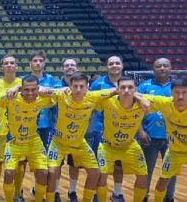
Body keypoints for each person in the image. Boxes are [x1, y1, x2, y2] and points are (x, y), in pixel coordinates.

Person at [45, 73, 119, 202]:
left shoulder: (93, 96)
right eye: (75, 86)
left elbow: (117, 90)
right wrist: (17, 88)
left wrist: (139, 99)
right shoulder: (62, 94)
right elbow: (39, 89)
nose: (78, 89)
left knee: (95, 173)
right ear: (70, 86)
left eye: (81, 86)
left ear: (87, 86)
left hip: (79, 143)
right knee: (52, 172)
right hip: (59, 141)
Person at [141, 78, 187, 202]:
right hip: (174, 152)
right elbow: (134, 94)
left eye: (184, 92)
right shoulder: (164, 102)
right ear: (171, 92)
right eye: (176, 92)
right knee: (162, 181)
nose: (180, 96)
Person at [96, 76, 150, 202]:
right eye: (123, 87)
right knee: (101, 175)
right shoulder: (107, 101)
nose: (126, 90)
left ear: (135, 89)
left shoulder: (144, 102)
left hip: (129, 145)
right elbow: (88, 95)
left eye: (130, 87)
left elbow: (171, 100)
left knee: (143, 175)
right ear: (117, 89)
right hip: (107, 145)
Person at [1, 75, 55, 202]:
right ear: (22, 90)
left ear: (37, 89)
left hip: (33, 141)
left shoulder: (43, 99)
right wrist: (16, 87)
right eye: (26, 90)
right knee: (9, 173)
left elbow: (63, 93)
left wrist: (41, 89)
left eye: (33, 89)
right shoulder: (11, 98)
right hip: (14, 142)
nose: (30, 93)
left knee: (43, 172)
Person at [137, 58, 178, 202]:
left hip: (172, 138)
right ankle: (143, 197)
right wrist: (140, 132)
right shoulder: (144, 87)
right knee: (145, 170)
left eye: (165, 65)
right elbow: (134, 113)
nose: (162, 68)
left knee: (171, 170)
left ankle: (169, 197)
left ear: (170, 68)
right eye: (159, 66)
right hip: (149, 136)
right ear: (153, 69)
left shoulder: (176, 87)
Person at [90, 55, 126, 202]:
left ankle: (117, 193)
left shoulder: (128, 84)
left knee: (119, 165)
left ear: (122, 65)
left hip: (123, 131)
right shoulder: (97, 84)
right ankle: (97, 194)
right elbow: (90, 105)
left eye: (117, 63)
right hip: (101, 130)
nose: (114, 66)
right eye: (111, 63)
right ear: (106, 66)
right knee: (99, 167)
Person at [23, 50, 58, 202]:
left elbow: (57, 95)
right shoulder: (23, 80)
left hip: (44, 126)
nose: (37, 63)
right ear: (29, 63)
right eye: (35, 61)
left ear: (44, 63)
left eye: (40, 61)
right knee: (21, 163)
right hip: (24, 126)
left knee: (41, 163)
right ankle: (18, 192)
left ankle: (38, 190)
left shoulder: (51, 80)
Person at [53, 58, 83, 202]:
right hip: (57, 132)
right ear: (62, 68)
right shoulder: (56, 85)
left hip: (77, 132)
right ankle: (56, 191)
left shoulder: (83, 87)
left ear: (77, 68)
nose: (69, 67)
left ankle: (72, 191)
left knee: (74, 163)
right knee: (56, 164)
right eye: (66, 65)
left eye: (72, 65)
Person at [0, 55, 22, 202]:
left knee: (19, 164)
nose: (9, 65)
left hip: (19, 130)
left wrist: (18, 87)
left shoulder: (23, 83)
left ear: (16, 66)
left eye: (12, 63)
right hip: (0, 130)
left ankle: (17, 194)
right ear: (2, 67)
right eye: (6, 63)